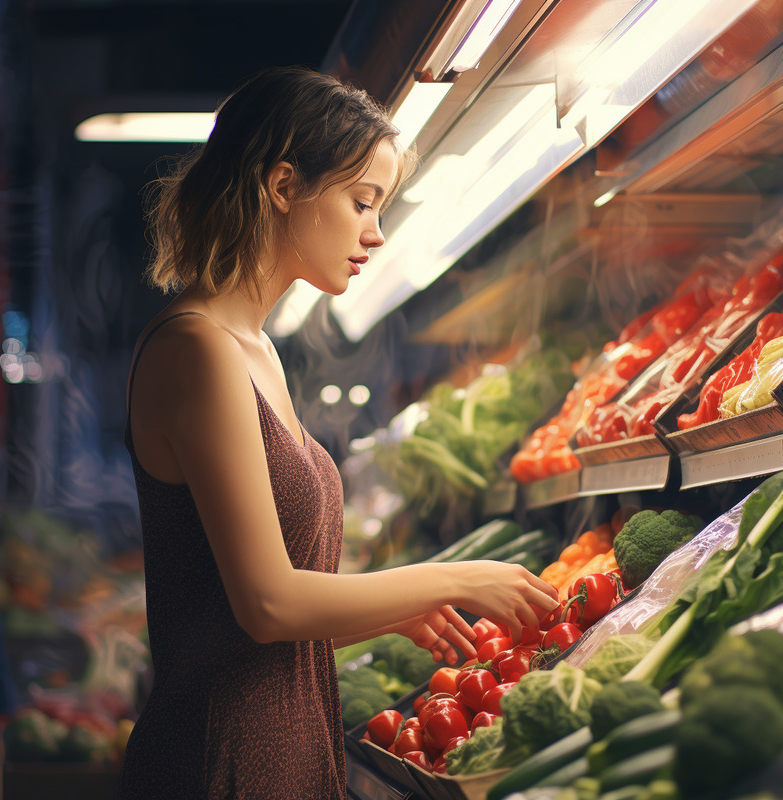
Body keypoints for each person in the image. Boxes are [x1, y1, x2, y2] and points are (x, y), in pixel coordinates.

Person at [118, 65, 559, 800]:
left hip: (282, 742)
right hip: (222, 759)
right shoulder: (198, 349)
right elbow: (268, 606)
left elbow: (242, 621)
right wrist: (454, 578)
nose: (376, 233)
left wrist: (398, 607)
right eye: (362, 201)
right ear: (284, 185)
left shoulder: (254, 349)